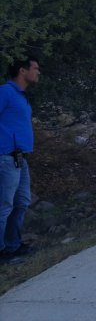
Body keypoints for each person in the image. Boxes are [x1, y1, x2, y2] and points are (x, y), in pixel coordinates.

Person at [0, 57, 40, 264]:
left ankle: (13, 245)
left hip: (20, 158)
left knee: (22, 201)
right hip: (6, 157)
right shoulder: (5, 92)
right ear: (22, 71)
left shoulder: (21, 96)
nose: (38, 73)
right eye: (35, 69)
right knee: (4, 204)